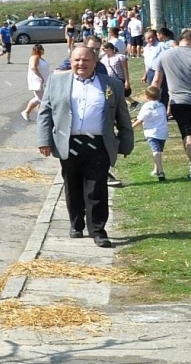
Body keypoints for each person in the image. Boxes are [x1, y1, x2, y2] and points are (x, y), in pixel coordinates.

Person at [38, 45, 134, 247]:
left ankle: (98, 230)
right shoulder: (57, 81)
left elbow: (122, 116)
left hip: (98, 144)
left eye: (85, 60)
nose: (81, 64)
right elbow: (45, 113)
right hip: (69, 143)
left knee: (97, 188)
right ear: (71, 62)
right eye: (77, 60)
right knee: (72, 185)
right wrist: (44, 140)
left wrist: (126, 142)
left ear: (94, 62)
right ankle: (76, 223)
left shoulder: (111, 85)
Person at [152, 27, 191, 182]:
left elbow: (156, 81)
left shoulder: (165, 55)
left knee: (188, 134)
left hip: (178, 102)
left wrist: (152, 101)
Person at [135, 84, 170, 181]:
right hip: (162, 133)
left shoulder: (146, 106)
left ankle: (161, 172)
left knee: (156, 152)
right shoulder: (162, 105)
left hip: (152, 133)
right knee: (159, 151)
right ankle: (155, 169)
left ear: (146, 96)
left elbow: (140, 120)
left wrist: (130, 127)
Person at [21, 44, 49, 120]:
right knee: (40, 98)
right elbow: (33, 67)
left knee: (44, 97)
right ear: (38, 50)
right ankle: (26, 111)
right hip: (37, 80)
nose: (43, 50)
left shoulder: (40, 58)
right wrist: (40, 76)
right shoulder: (35, 57)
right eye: (42, 49)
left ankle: (40, 113)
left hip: (44, 80)